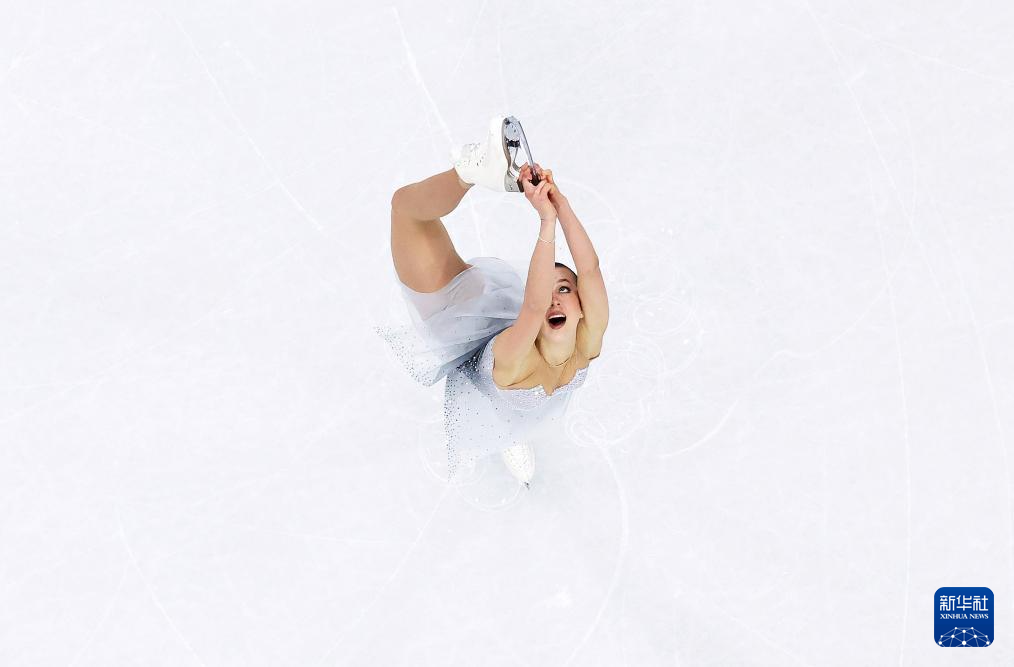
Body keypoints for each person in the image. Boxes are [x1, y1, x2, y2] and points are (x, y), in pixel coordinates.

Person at [375, 115, 609, 487]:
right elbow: (538, 304)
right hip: (480, 317)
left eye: (565, 289)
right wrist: (553, 208)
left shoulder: (539, 349)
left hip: (455, 323)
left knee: (405, 209)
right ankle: (472, 171)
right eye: (550, 289)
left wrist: (554, 212)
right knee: (406, 209)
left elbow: (584, 274)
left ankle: (469, 173)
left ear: (582, 305)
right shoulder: (572, 344)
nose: (555, 300)